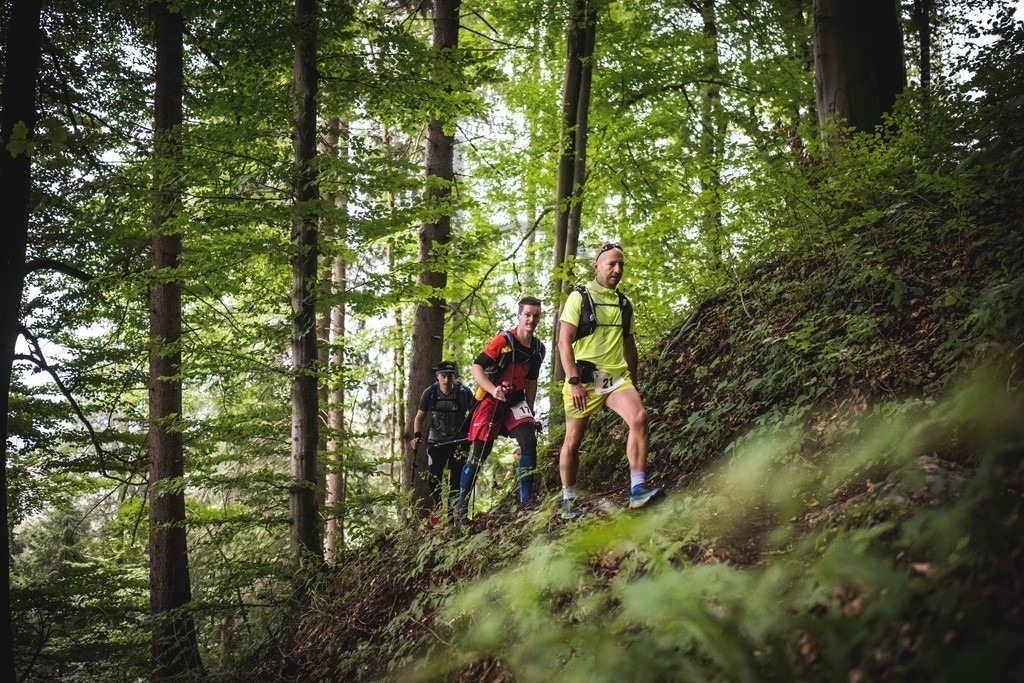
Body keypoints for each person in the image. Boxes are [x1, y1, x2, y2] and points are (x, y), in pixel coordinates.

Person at [558, 243, 663, 519]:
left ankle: (637, 489)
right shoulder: (579, 298)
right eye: (611, 264)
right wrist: (573, 381)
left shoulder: (624, 304)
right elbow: (563, 342)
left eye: (621, 265)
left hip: (614, 378)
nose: (617, 269)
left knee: (639, 417)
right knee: (573, 441)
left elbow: (630, 347)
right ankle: (568, 499)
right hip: (583, 379)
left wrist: (633, 383)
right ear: (597, 266)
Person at [455, 296, 546, 519]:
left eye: (535, 316)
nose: (531, 320)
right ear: (519, 316)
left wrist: (530, 410)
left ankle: (526, 500)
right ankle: (460, 506)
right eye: (527, 315)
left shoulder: (538, 349)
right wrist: (492, 389)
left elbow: (531, 381)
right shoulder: (503, 340)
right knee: (480, 453)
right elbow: (476, 367)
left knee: (528, 440)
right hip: (490, 400)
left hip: (516, 400)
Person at [411, 360, 475, 526]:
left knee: (456, 479)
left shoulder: (464, 392)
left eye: (450, 376)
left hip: (459, 441)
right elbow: (419, 417)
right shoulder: (430, 393)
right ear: (437, 376)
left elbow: (475, 414)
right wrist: (417, 436)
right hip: (436, 442)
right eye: (444, 376)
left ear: (454, 376)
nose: (447, 380)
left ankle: (451, 517)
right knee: (434, 477)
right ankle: (437, 505)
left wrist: (474, 434)